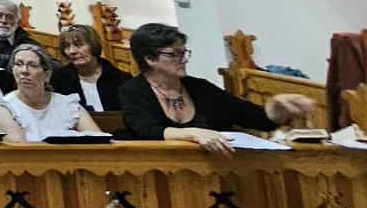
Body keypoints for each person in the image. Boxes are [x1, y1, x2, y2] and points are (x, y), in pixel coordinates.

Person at [120, 23, 314, 153]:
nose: (184, 59)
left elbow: (255, 118)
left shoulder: (200, 88)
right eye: (174, 54)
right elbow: (146, 131)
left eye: (184, 52)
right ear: (149, 58)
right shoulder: (133, 91)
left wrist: (277, 106)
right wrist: (195, 134)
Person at [0, 43, 104, 142]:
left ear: (47, 75)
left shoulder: (67, 104)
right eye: (18, 64)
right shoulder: (4, 107)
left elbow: (99, 140)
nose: (24, 71)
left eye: (32, 65)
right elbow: (20, 148)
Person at [51, 24, 131, 112]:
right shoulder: (59, 80)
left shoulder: (121, 79)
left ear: (93, 45)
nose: (72, 51)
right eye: (67, 46)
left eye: (79, 45)